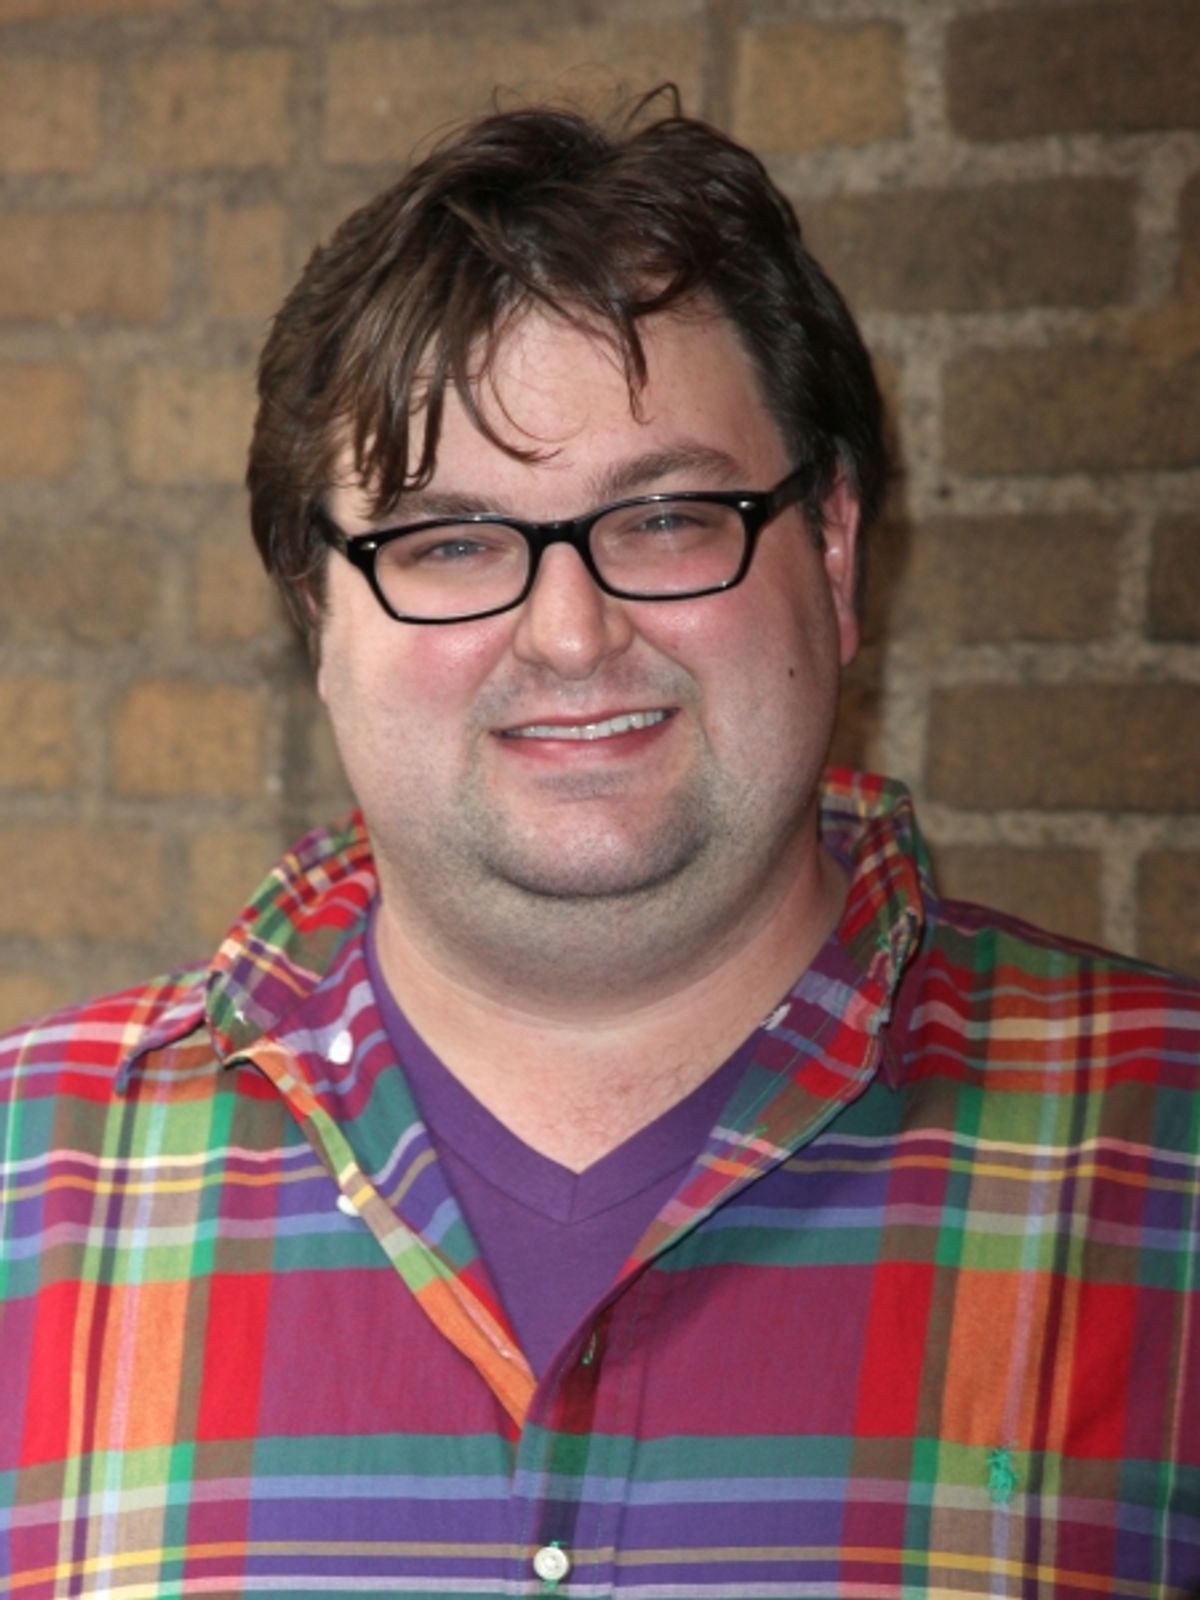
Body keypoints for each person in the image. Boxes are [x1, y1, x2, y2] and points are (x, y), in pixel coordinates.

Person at [2, 90, 1198, 1600]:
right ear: (318, 614)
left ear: (833, 552)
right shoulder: (26, 1185)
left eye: (669, 519)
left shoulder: (1167, 1164)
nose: (570, 633)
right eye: (449, 542)